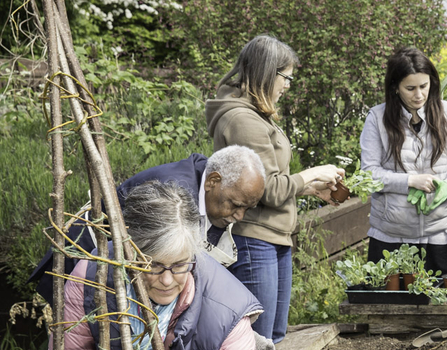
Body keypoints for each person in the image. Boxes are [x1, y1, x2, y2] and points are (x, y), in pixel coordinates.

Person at [205, 34, 345, 343]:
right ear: (269, 73)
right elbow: (265, 189)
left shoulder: (255, 115)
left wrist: (310, 189)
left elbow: (273, 180)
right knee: (257, 339)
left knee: (275, 337)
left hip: (273, 238)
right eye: (286, 78)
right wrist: (311, 174)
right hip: (255, 239)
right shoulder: (244, 120)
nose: (288, 85)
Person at [29, 145, 266, 305]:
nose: (240, 216)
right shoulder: (175, 195)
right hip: (83, 263)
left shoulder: (210, 180)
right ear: (213, 181)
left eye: (247, 208)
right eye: (235, 205)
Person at [49, 181, 266, 350]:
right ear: (129, 252)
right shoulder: (91, 276)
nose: (167, 280)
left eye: (180, 265)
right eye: (153, 265)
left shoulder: (227, 311)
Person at [359, 47, 447, 277]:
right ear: (395, 88)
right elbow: (368, 175)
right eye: (410, 88)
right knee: (391, 311)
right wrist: (410, 181)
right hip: (391, 240)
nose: (419, 94)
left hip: (443, 235)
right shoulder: (376, 119)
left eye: (424, 86)